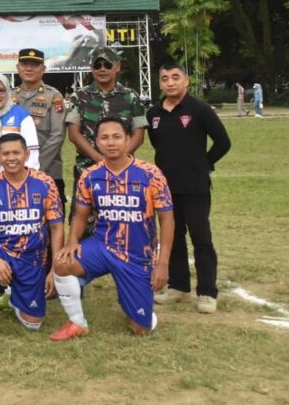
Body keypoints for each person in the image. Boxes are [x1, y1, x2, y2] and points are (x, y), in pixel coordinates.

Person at [50, 117, 175, 340]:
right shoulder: (90, 176)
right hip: (103, 245)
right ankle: (77, 323)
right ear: (96, 142)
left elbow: (167, 219)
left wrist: (163, 263)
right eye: (104, 138)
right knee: (62, 263)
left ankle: (133, 300)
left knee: (140, 329)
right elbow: (80, 215)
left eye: (117, 137)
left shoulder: (150, 174)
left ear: (128, 139)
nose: (111, 143)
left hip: (137, 254)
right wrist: (72, 241)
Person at [0, 133, 64, 344]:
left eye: (16, 153)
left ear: (26, 155)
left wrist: (54, 270)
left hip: (32, 257)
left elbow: (56, 228)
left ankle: (11, 297)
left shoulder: (45, 183)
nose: (11, 158)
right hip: (2, 250)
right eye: (6, 154)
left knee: (33, 323)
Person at [148, 62, 231, 314]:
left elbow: (223, 142)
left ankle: (207, 292)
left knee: (201, 238)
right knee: (172, 238)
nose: (170, 82)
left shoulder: (200, 109)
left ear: (186, 80)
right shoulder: (154, 113)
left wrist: (203, 164)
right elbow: (158, 144)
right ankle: (179, 286)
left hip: (195, 187)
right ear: (160, 83)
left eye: (175, 77)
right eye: (165, 78)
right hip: (165, 189)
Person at [65, 47, 147, 186]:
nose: (102, 69)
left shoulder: (131, 96)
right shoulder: (79, 96)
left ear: (117, 67)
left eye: (108, 65)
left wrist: (117, 160)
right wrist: (101, 161)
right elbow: (74, 134)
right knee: (83, 208)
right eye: (97, 65)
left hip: (123, 171)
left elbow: (138, 135)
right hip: (88, 169)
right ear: (92, 69)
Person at [13, 48, 67, 206]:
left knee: (51, 224)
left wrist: (33, 167)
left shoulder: (54, 97)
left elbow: (57, 137)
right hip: (12, 173)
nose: (29, 68)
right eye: (25, 64)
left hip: (47, 172)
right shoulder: (9, 97)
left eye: (35, 65)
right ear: (18, 68)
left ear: (43, 69)